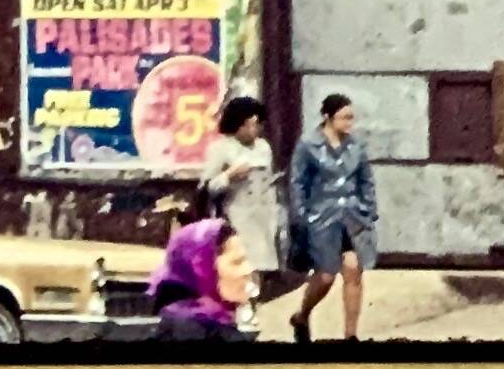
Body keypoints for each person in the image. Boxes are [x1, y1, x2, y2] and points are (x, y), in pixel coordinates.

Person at [287, 92, 379, 344]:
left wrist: (368, 209)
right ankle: (302, 315)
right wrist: (302, 216)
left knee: (353, 269)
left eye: (351, 118)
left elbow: (365, 180)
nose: (349, 123)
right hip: (321, 217)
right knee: (325, 275)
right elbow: (297, 183)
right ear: (328, 117)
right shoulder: (308, 145)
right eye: (344, 117)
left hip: (352, 216)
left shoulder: (356, 145)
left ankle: (351, 334)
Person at [200, 96, 284, 301]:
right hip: (237, 216)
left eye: (256, 125)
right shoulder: (220, 148)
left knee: (261, 272)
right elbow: (207, 187)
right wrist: (229, 175)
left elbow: (269, 180)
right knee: (242, 268)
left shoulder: (263, 147)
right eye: (248, 125)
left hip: (263, 216)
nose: (253, 130)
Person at [147, 217, 255, 343]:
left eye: (246, 260)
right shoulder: (201, 332)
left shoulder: (175, 322)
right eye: (237, 262)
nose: (249, 270)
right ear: (203, 268)